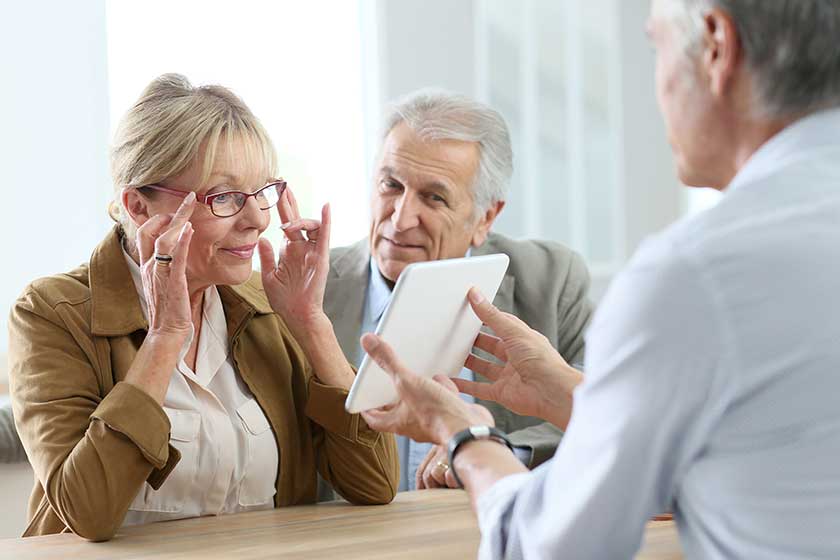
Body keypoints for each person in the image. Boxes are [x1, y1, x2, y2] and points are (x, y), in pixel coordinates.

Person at [357, 0, 840, 557]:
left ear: (715, 46)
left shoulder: (692, 277)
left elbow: (545, 546)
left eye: (655, 44)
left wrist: (463, 433)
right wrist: (568, 391)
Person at [8, 74, 398, 541]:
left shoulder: (263, 304)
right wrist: (164, 339)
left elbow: (375, 483)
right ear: (137, 206)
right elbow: (87, 513)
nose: (257, 220)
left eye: (262, 192)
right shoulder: (51, 313)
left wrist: (310, 323)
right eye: (226, 197)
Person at [323, 89, 592, 492]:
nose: (400, 219)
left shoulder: (553, 280)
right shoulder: (314, 287)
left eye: (434, 197)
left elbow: (609, 417)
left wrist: (486, 451)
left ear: (486, 216)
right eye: (391, 185)